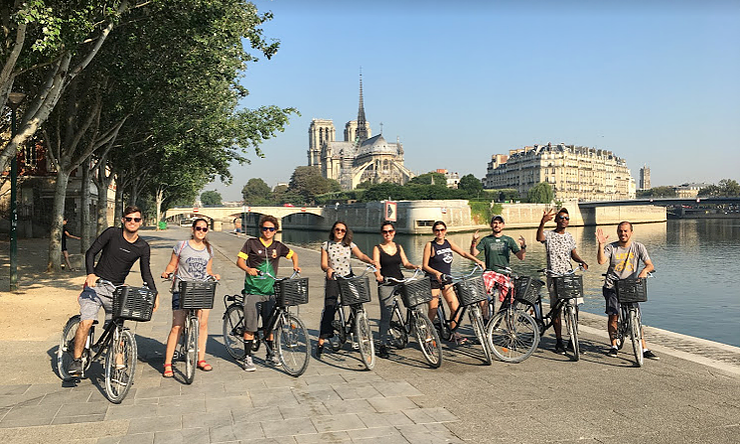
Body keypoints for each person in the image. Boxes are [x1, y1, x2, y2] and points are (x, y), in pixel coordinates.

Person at [68, 206, 158, 376]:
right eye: (129, 219)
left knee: (117, 327)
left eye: (136, 219)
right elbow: (91, 252)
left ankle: (119, 366)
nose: (132, 222)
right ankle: (77, 360)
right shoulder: (112, 233)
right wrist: (91, 274)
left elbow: (146, 272)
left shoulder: (142, 246)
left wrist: (154, 294)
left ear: (141, 222)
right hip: (96, 286)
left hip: (117, 291)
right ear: (123, 220)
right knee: (87, 321)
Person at [236, 215, 300, 372]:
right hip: (253, 290)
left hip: (271, 291)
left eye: (271, 229)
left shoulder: (278, 246)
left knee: (269, 327)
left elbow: (294, 255)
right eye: (265, 228)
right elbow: (239, 261)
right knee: (250, 326)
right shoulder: (251, 243)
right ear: (261, 229)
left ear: (275, 230)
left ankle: (270, 354)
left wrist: (296, 266)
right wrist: (248, 269)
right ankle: (247, 357)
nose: (268, 231)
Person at [160, 218, 220, 377]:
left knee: (203, 324)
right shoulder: (182, 246)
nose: (201, 231)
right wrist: (167, 272)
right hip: (182, 288)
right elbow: (172, 264)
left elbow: (208, 270)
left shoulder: (209, 249)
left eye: (204, 229)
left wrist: (214, 276)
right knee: (177, 326)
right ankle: (167, 363)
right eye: (198, 228)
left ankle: (201, 359)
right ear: (193, 229)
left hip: (202, 289)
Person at [596, 221, 658, 360]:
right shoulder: (611, 247)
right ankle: (614, 346)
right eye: (620, 231)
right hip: (612, 286)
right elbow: (601, 261)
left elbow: (650, 264)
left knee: (636, 317)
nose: (623, 234)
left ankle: (644, 348)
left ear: (631, 232)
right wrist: (600, 245)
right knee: (614, 316)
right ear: (617, 232)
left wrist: (644, 271)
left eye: (625, 231)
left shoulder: (638, 247)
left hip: (630, 286)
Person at [316, 221, 377, 357]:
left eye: (343, 230)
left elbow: (360, 255)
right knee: (330, 307)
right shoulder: (326, 245)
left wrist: (371, 261)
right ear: (333, 230)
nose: (340, 232)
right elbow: (323, 264)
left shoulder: (349, 245)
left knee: (357, 303)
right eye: (337, 229)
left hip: (348, 277)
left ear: (346, 232)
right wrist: (328, 269)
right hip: (333, 278)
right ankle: (321, 340)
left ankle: (356, 333)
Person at [536, 208, 588, 354]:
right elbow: (539, 238)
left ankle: (573, 340)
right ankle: (559, 342)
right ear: (556, 220)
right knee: (556, 310)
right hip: (554, 276)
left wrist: (581, 261)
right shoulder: (549, 234)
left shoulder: (570, 237)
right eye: (561, 217)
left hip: (568, 275)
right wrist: (542, 222)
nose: (564, 220)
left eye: (566, 218)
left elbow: (574, 254)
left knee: (573, 308)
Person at [424, 220, 485, 344]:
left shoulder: (448, 243)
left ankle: (453, 332)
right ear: (434, 232)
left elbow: (463, 253)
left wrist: (477, 261)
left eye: (442, 230)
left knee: (455, 307)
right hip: (433, 280)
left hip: (447, 280)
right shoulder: (430, 245)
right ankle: (427, 333)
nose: (440, 232)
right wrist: (436, 273)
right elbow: (424, 266)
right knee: (433, 309)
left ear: (445, 231)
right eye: (437, 230)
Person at [372, 221, 420, 359]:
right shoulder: (378, 248)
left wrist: (414, 266)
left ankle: (415, 328)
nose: (388, 234)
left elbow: (405, 263)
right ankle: (382, 344)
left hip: (400, 280)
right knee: (386, 314)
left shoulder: (398, 246)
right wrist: (378, 275)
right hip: (386, 283)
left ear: (394, 232)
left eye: (390, 231)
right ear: (382, 233)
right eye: (385, 232)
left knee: (414, 304)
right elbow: (376, 265)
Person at [470, 215, 526, 315]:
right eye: (495, 223)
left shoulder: (508, 240)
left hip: (504, 273)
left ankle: (503, 317)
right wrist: (474, 241)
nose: (497, 225)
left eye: (499, 223)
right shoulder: (486, 240)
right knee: (482, 294)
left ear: (503, 225)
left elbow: (521, 257)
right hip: (490, 272)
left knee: (511, 296)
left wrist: (523, 247)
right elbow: (474, 253)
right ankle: (485, 317)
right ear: (491, 225)